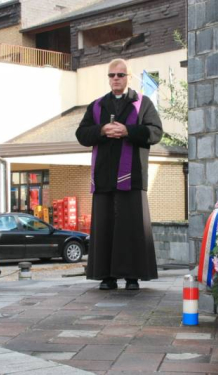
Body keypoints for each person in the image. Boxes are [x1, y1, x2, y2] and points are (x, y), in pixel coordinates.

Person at [76, 58, 162, 291]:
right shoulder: (97, 106)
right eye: (112, 75)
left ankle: (132, 276)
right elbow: (82, 134)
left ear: (129, 77)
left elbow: (155, 133)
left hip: (131, 177)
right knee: (106, 227)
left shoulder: (142, 103)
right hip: (103, 177)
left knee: (130, 227)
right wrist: (102, 130)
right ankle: (107, 277)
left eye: (121, 75)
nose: (116, 79)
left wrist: (127, 131)